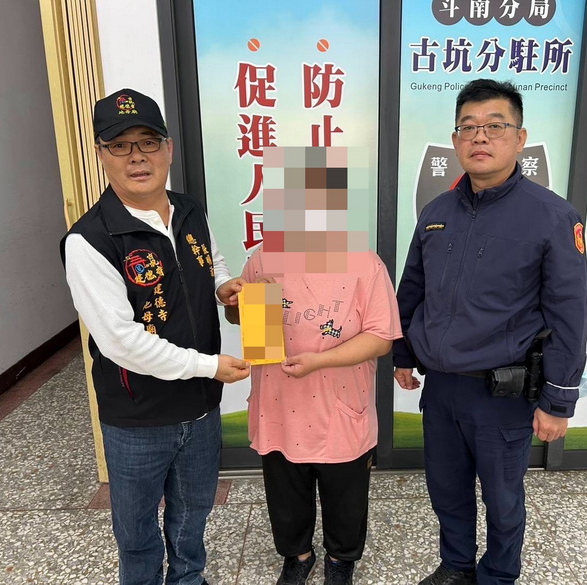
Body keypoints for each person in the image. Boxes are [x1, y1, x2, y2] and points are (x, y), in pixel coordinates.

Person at [393, 79, 587, 585]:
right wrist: (402, 353)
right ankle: (456, 565)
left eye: (495, 126)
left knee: (502, 497)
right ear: (455, 140)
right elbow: (412, 288)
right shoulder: (436, 213)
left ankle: (499, 574)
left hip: (501, 393)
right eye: (468, 127)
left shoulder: (552, 216)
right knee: (446, 489)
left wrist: (558, 401)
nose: (480, 137)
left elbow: (569, 315)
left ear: (520, 139)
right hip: (442, 388)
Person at [60, 88, 250, 585]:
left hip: (201, 406)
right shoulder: (89, 240)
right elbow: (120, 341)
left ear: (168, 148)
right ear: (101, 155)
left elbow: (211, 261)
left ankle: (189, 579)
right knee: (138, 530)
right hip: (138, 417)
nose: (136, 156)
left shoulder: (189, 210)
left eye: (148, 141)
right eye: (119, 145)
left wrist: (223, 286)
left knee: (192, 515)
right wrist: (210, 366)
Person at [230, 146, 402, 585]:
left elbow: (381, 338)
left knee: (346, 496)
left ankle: (341, 560)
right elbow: (250, 325)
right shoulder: (264, 258)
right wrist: (238, 303)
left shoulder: (364, 264)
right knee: (285, 492)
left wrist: (320, 361)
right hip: (279, 402)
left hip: (338, 406)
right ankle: (298, 556)